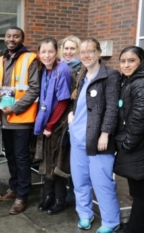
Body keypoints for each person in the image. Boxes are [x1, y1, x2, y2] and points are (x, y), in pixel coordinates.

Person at [68, 38, 120, 232]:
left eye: (91, 51)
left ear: (99, 52)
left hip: (98, 140)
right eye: (83, 52)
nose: (86, 55)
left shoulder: (111, 76)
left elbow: (112, 108)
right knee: (80, 181)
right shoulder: (81, 76)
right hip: (77, 138)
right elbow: (79, 102)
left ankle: (110, 222)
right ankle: (85, 215)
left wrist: (105, 133)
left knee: (102, 183)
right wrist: (72, 113)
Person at [0, 27, 40, 215]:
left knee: (21, 158)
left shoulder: (30, 59)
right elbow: (0, 85)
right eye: (8, 36)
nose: (11, 39)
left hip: (22, 118)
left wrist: (16, 108)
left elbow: (34, 90)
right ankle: (14, 187)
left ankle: (22, 196)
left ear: (22, 39)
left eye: (16, 36)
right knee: (10, 155)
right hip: (5, 117)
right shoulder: (2, 60)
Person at [114, 46, 144, 233]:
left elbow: (139, 118)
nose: (126, 65)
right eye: (123, 61)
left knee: (140, 193)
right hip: (139, 146)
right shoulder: (131, 81)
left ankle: (136, 229)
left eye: (131, 60)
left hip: (140, 147)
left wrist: (127, 144)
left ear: (141, 62)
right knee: (141, 192)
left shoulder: (142, 83)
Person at [34, 38, 71, 215]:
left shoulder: (62, 69)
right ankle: (48, 197)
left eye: (50, 51)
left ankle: (59, 200)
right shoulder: (44, 71)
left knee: (56, 163)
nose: (47, 55)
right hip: (46, 123)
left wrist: (49, 125)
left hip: (56, 125)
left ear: (56, 52)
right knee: (46, 162)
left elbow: (63, 101)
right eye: (43, 52)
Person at [58, 35, 82, 206]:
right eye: (66, 48)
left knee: (74, 156)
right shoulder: (58, 67)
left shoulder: (83, 69)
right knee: (62, 153)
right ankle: (62, 190)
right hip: (59, 117)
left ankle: (74, 190)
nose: (68, 52)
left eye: (72, 48)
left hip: (75, 117)